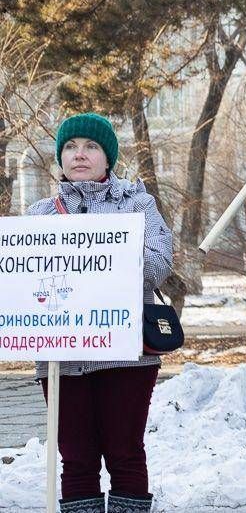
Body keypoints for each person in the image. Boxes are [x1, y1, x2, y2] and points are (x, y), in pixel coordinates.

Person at [28, 113, 174, 513]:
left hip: (126, 352)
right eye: (71, 146)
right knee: (76, 459)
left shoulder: (137, 202)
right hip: (62, 357)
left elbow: (159, 264)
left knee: (126, 453)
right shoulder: (40, 214)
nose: (80, 154)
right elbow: (25, 280)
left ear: (108, 157)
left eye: (91, 146)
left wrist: (101, 245)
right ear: (60, 157)